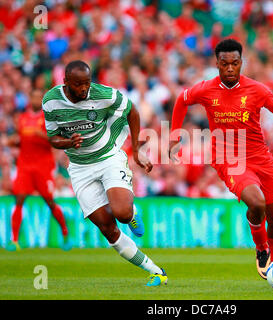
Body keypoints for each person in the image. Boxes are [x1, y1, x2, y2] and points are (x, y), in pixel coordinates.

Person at [169, 39, 273, 280]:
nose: (230, 68)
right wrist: (174, 134)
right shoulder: (205, 89)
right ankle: (261, 247)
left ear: (241, 62)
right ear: (217, 64)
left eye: (234, 63)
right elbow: (182, 99)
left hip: (261, 157)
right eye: (225, 64)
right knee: (257, 203)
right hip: (229, 158)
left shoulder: (258, 90)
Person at [42, 60, 167, 286]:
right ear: (65, 82)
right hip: (80, 168)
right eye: (78, 84)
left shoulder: (103, 94)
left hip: (108, 157)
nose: (83, 89)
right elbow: (52, 138)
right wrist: (67, 142)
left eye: (87, 83)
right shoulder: (51, 101)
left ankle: (131, 213)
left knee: (121, 213)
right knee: (108, 229)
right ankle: (156, 271)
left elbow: (132, 109)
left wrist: (137, 150)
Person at [5, 88, 71, 251]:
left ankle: (65, 234)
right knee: (19, 200)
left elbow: (57, 140)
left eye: (37, 97)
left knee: (49, 202)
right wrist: (14, 142)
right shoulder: (22, 118)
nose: (34, 100)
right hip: (25, 166)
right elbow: (21, 140)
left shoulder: (47, 119)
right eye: (32, 96)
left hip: (43, 166)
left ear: (41, 100)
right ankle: (14, 241)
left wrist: (40, 135)